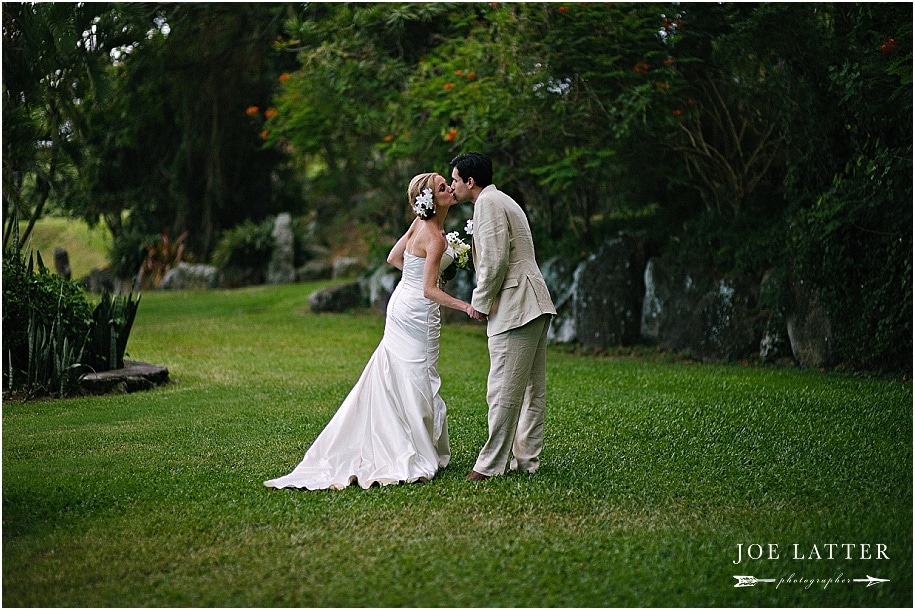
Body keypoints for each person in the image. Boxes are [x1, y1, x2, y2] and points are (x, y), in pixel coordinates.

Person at [265, 172, 483, 490]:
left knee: (400, 372)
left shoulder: (420, 226)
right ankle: (408, 447)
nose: (449, 188)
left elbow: (394, 257)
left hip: (400, 305)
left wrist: (423, 273)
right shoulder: (435, 237)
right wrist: (465, 306)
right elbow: (428, 290)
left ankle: (398, 436)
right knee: (416, 375)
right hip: (417, 311)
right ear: (431, 199)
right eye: (442, 187)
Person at [449, 152, 557, 481]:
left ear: (471, 182)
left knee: (503, 390)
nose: (452, 186)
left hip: (516, 304)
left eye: (454, 180)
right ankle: (526, 461)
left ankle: (489, 466)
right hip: (534, 301)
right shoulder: (503, 199)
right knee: (530, 390)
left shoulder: (488, 203)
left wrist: (480, 303)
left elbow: (494, 261)